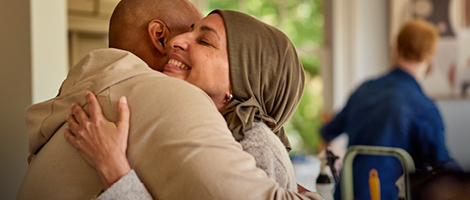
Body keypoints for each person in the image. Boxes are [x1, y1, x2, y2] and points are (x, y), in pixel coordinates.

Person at [17, 1, 322, 199]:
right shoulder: (177, 109)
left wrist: (116, 172)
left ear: (242, 79)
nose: (179, 42)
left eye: (203, 40)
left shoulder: (254, 139)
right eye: (188, 30)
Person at [321, 20, 461, 200]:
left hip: (348, 194)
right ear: (432, 54)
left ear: (396, 48)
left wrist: (340, 161)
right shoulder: (424, 106)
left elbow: (328, 132)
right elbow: (441, 164)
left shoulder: (364, 89)